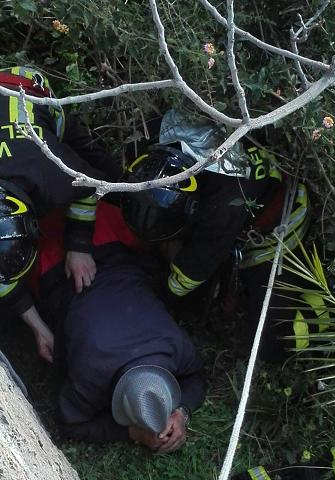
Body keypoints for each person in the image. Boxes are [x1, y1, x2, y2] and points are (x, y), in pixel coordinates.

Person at [120, 109, 310, 360]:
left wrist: (160, 297)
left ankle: (320, 313)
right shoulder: (169, 130)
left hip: (279, 227)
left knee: (268, 341)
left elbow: (189, 275)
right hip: (245, 196)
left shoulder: (220, 211)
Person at [32, 200, 205, 451]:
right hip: (55, 258)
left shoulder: (175, 345)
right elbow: (70, 424)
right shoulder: (90, 375)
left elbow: (197, 375)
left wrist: (181, 413)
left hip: (110, 231)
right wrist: (131, 432)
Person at [0, 66, 119, 362]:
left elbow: (90, 185)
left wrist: (78, 246)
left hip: (27, 88)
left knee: (101, 163)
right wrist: (39, 328)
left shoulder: (52, 174)